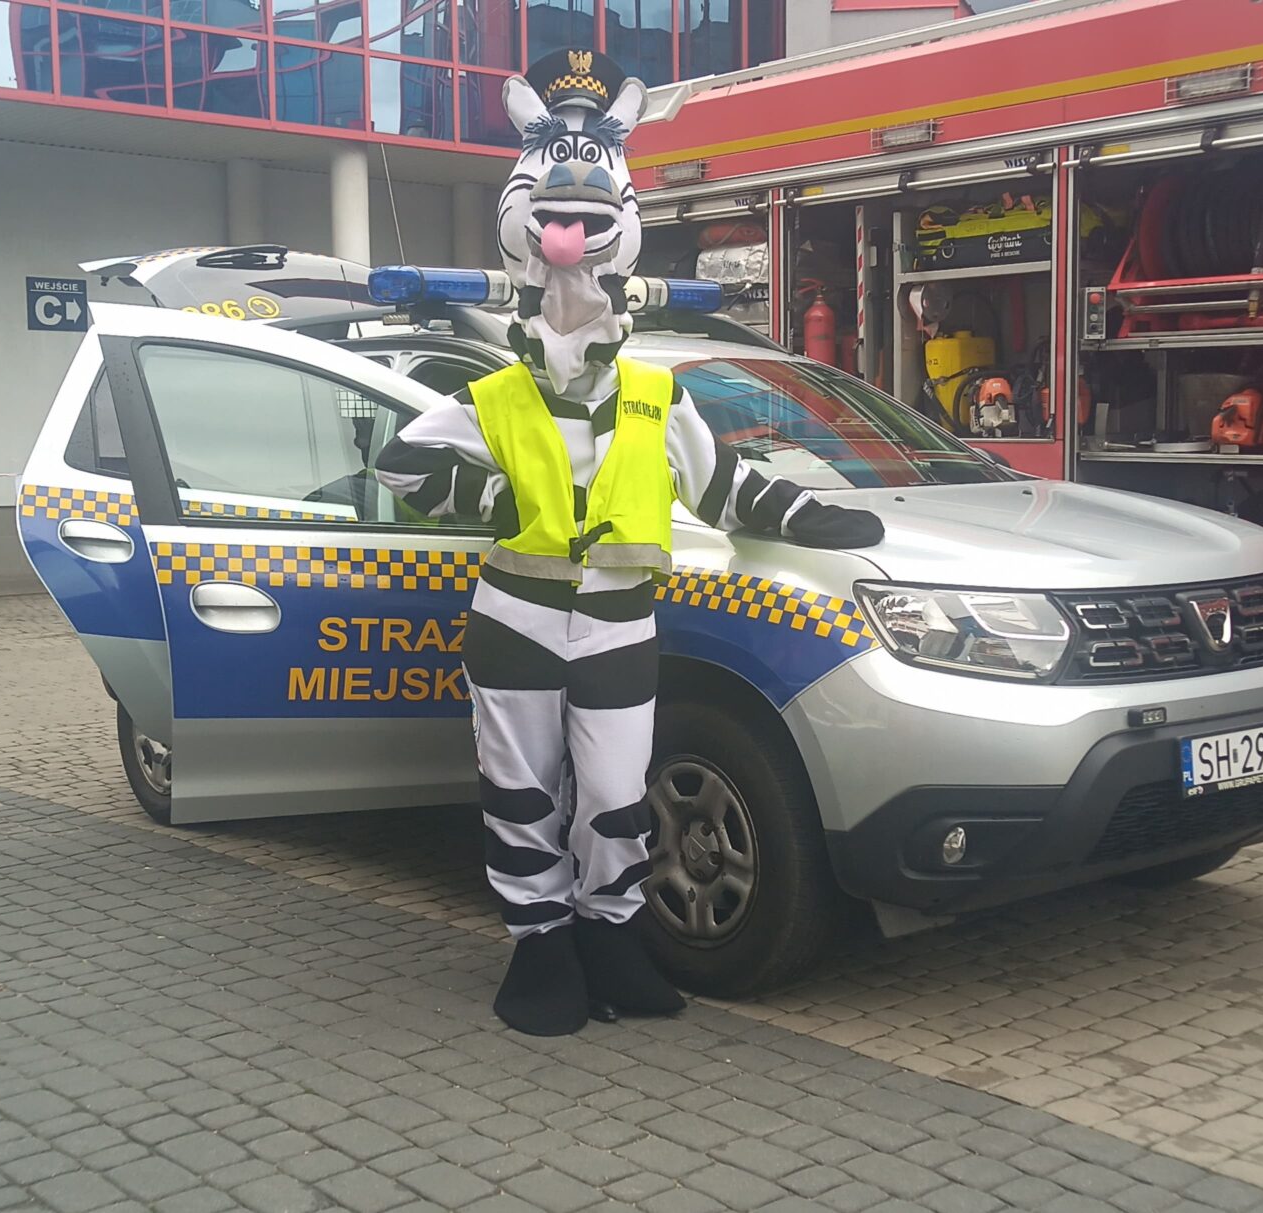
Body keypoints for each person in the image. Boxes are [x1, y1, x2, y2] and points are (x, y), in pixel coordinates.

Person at [376, 48, 885, 1036]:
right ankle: (538, 943)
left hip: (617, 620)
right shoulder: (493, 393)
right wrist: (491, 495)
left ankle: (610, 935)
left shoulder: (655, 393)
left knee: (614, 793)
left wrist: (813, 518)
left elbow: (723, 485)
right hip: (517, 616)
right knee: (520, 790)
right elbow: (402, 464)